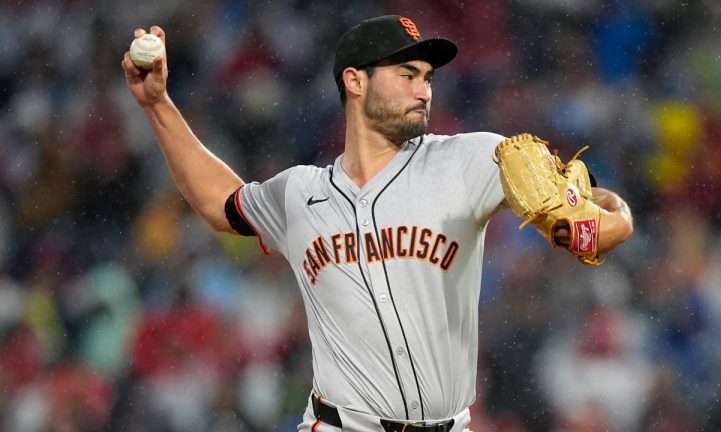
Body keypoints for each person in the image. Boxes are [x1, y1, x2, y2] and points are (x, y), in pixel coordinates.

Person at [121, 15, 633, 432]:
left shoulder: (470, 159)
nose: (424, 90)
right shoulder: (301, 193)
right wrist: (158, 105)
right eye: (407, 74)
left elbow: (589, 230)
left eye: (427, 78)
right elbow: (223, 204)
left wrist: (611, 221)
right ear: (355, 80)